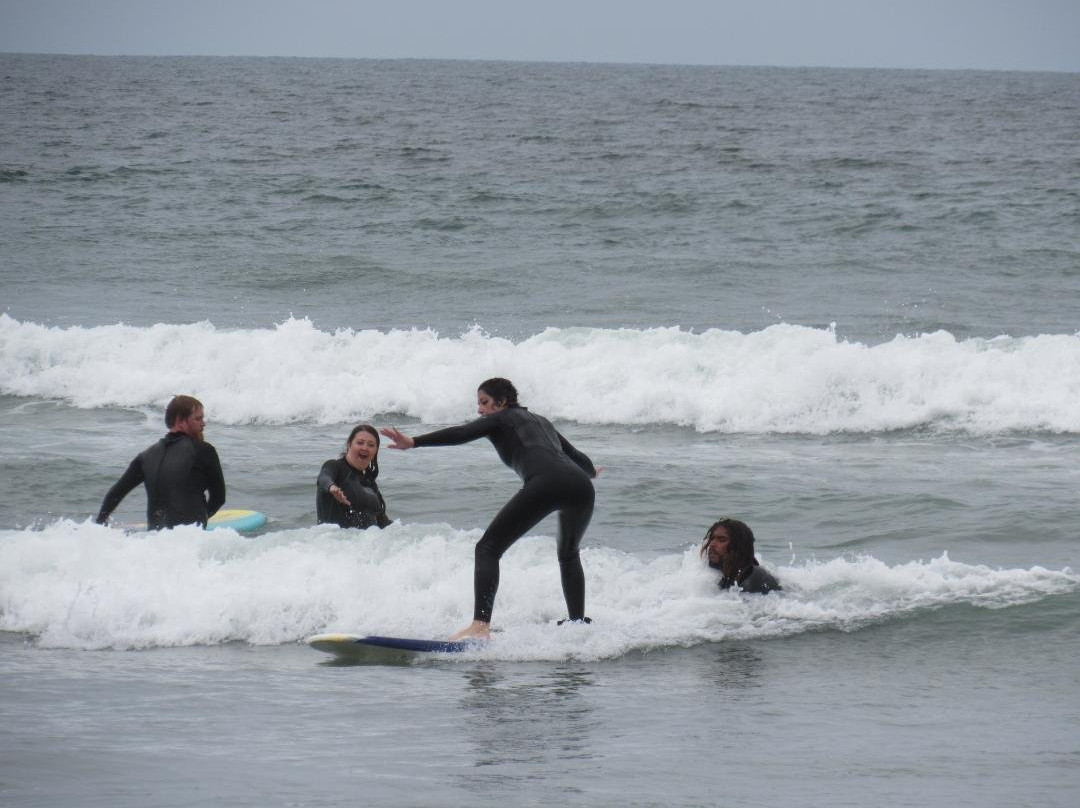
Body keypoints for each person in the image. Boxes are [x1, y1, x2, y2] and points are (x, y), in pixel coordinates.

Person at [381, 378, 598, 641]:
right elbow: (579, 458)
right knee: (568, 554)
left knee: (487, 549)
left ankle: (480, 626)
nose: (480, 410)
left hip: (547, 482)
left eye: (484, 402)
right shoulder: (542, 421)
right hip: (582, 486)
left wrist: (413, 441)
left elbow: (462, 434)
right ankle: (577, 624)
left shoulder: (502, 418)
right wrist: (589, 472)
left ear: (502, 401)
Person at [95, 395, 226, 530]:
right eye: (198, 418)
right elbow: (219, 498)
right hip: (189, 539)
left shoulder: (146, 456)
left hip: (156, 540)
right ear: (180, 420)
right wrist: (201, 519)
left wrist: (100, 523)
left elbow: (116, 493)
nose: (203, 423)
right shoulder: (204, 451)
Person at [316, 424, 391, 529]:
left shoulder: (370, 483)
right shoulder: (335, 467)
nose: (365, 447)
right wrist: (332, 487)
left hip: (364, 543)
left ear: (375, 451)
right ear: (349, 444)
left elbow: (383, 523)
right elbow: (323, 478)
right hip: (333, 542)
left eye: (371, 445)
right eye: (360, 443)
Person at [700, 518, 782, 594]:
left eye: (722, 540)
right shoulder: (731, 576)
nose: (712, 544)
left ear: (739, 546)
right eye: (712, 538)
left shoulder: (752, 582)